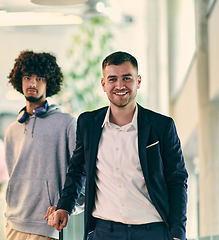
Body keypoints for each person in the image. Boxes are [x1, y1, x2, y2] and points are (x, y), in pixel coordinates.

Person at [47, 51, 188, 240]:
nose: (120, 86)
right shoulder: (88, 123)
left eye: (127, 78)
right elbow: (77, 170)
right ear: (103, 84)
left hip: (152, 231)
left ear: (138, 81)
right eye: (112, 79)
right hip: (104, 231)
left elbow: (177, 180)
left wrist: (178, 232)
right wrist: (65, 206)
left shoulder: (161, 126)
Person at [4, 50, 77, 240]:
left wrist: (66, 207)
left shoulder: (66, 123)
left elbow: (80, 173)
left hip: (47, 224)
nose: (32, 83)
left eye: (40, 78)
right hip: (14, 222)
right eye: (27, 77)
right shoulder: (12, 130)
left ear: (49, 82)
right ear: (19, 81)